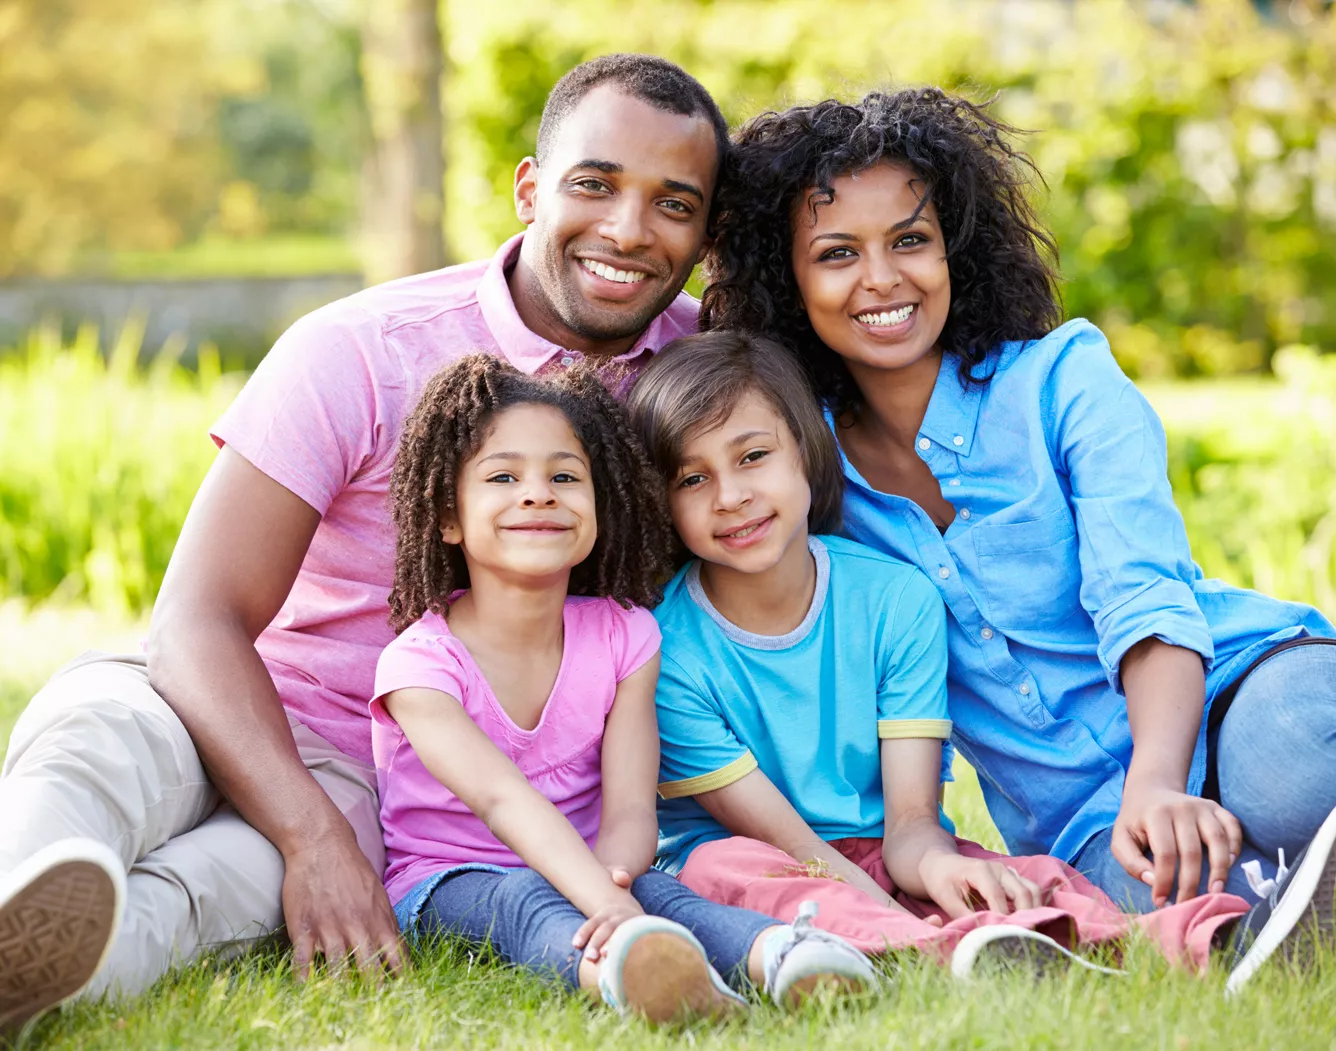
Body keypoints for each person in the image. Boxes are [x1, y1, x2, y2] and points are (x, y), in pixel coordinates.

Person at [0, 53, 726, 1030]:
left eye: (674, 203)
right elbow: (197, 618)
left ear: (706, 230)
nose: (628, 229)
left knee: (204, 895)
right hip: (205, 692)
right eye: (594, 184)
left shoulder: (697, 387)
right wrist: (311, 837)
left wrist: (324, 831)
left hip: (359, 765)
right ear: (528, 188)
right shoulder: (362, 347)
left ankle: (32, 984)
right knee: (89, 752)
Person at [697, 88, 1336, 990]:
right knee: (1168, 909)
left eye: (910, 240)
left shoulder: (1065, 381)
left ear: (954, 247)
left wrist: (1157, 781)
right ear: (789, 283)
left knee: (1298, 773)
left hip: (1238, 695)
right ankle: (1285, 906)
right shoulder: (802, 478)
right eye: (837, 254)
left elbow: (1144, 596)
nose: (882, 278)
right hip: (1081, 822)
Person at [625, 329, 1254, 979]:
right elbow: (795, 846)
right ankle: (952, 954)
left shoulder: (895, 598)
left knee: (1020, 877)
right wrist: (901, 914)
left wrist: (939, 870)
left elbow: (911, 825)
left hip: (881, 852)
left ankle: (1207, 938)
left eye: (753, 456)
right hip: (761, 866)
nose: (730, 496)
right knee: (727, 868)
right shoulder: (666, 650)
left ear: (807, 450)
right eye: (692, 478)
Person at [371, 353, 875, 1022]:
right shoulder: (420, 665)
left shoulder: (626, 637)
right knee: (525, 901)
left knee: (668, 894)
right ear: (447, 517)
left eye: (563, 476)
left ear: (599, 504)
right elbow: (502, 801)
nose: (538, 493)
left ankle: (784, 953)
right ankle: (628, 968)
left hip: (593, 862)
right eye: (502, 476)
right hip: (451, 880)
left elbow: (635, 806)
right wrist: (605, 902)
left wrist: (616, 876)